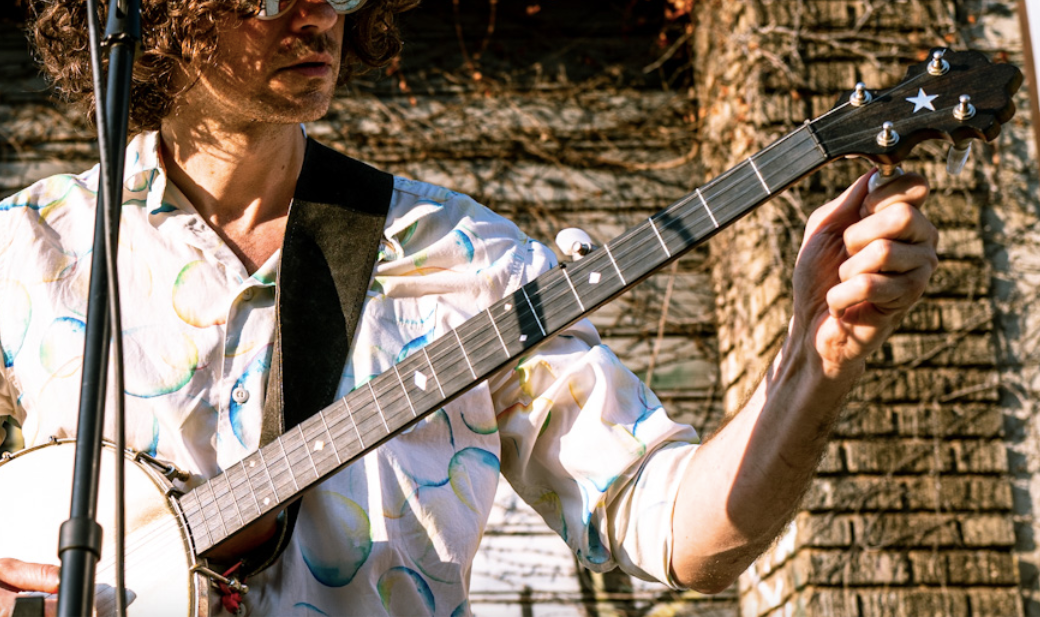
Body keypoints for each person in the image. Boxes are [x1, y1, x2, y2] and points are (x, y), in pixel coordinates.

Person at [0, 0, 938, 615]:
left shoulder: (463, 256)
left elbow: (670, 527)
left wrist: (814, 365)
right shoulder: (33, 245)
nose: (321, 10)